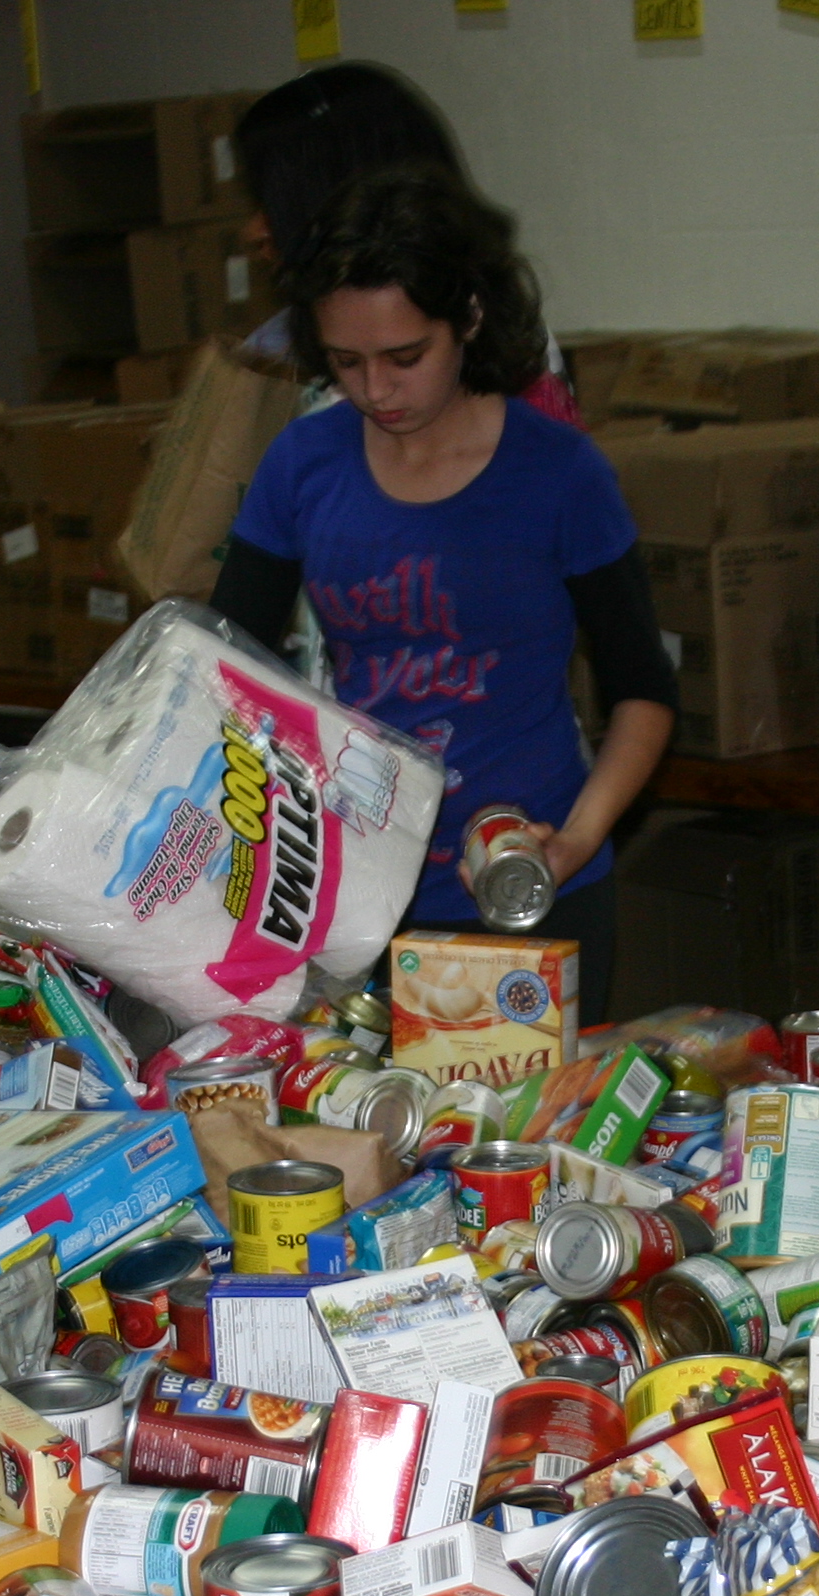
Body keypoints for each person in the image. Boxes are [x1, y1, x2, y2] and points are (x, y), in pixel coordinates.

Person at [208, 167, 674, 998]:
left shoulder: (558, 472)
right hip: (359, 898)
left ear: (467, 319)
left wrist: (575, 838)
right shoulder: (303, 465)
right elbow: (224, 666)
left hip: (529, 885)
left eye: (404, 357)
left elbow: (643, 689)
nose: (375, 390)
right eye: (346, 361)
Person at [233, 64, 581, 427]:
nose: (253, 232)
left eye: (274, 205)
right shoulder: (279, 342)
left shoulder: (495, 354)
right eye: (348, 361)